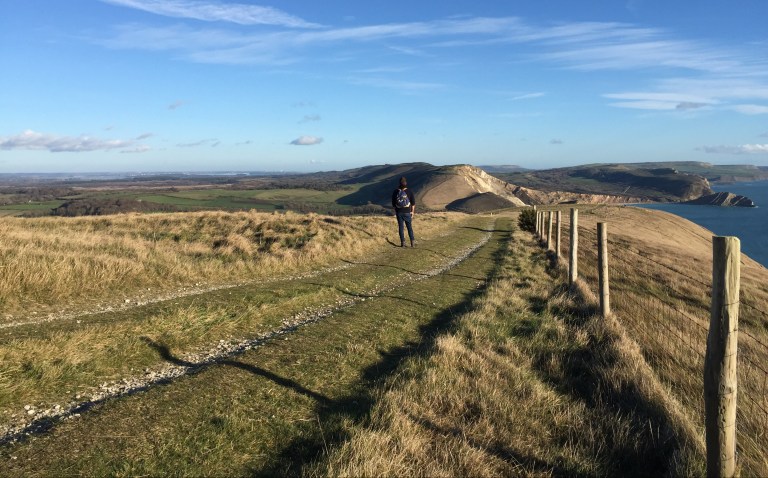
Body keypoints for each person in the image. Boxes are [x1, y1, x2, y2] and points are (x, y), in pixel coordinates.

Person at [392, 176, 416, 247]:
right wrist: (412, 211)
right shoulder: (410, 191)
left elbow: (393, 203)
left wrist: (396, 210)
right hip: (407, 212)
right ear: (406, 183)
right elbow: (413, 203)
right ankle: (412, 243)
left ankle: (403, 243)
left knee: (401, 227)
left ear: (399, 183)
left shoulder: (396, 191)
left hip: (399, 212)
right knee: (409, 227)